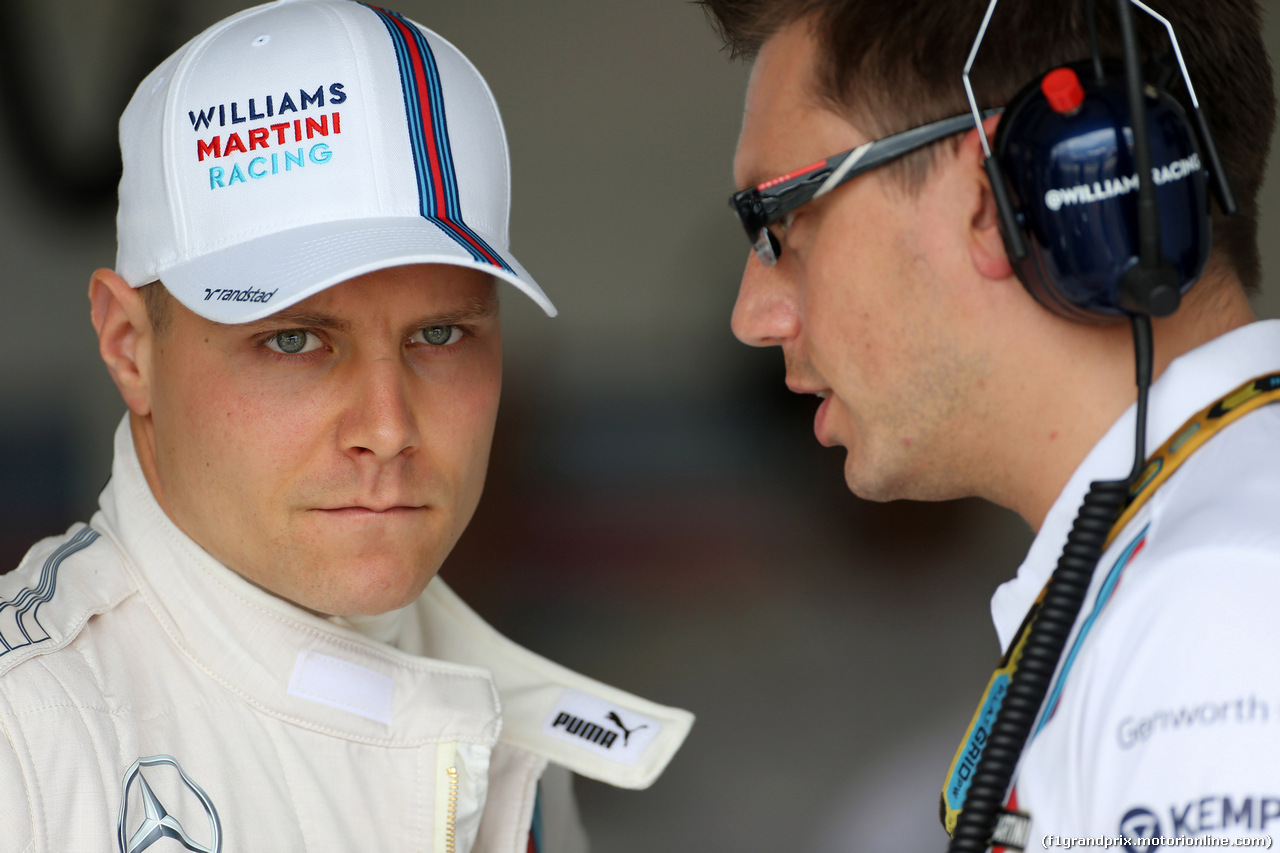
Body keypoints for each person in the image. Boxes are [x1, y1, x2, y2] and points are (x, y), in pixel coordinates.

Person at [0, 1, 693, 850]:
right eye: (292, 340)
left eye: (440, 335)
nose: (388, 427)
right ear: (128, 346)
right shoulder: (26, 738)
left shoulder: (510, 731)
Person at [699, 0, 1280, 848]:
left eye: (782, 217)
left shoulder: (1216, 601)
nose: (753, 315)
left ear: (989, 198)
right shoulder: (1184, 567)